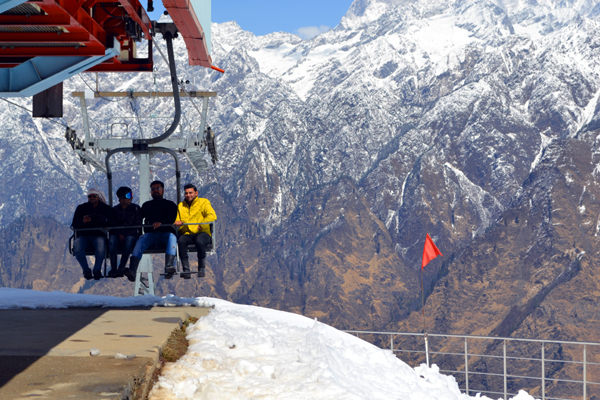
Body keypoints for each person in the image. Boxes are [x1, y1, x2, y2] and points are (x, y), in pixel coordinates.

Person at [123, 180, 178, 281]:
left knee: (172, 238)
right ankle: (132, 270)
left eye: (158, 188)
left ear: (163, 190)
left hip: (166, 233)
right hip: (150, 234)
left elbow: (172, 218)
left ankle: (169, 267)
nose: (155, 190)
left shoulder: (170, 205)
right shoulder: (146, 205)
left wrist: (160, 223)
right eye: (153, 189)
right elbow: (138, 218)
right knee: (141, 240)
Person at [175, 183, 217, 279]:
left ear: (196, 193)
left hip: (202, 232)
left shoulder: (204, 202)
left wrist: (201, 225)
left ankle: (201, 268)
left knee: (200, 242)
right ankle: (186, 269)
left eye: (191, 193)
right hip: (188, 233)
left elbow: (212, 216)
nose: (188, 195)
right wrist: (179, 224)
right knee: (181, 241)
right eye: (186, 193)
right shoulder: (181, 206)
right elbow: (178, 221)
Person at [71, 188, 115, 280]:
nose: (92, 198)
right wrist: (83, 221)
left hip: (99, 235)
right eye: (90, 196)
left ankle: (97, 270)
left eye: (94, 196)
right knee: (77, 245)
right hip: (83, 236)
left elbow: (113, 223)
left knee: (100, 245)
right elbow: (74, 224)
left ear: (98, 197)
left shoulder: (106, 209)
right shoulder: (81, 208)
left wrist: (103, 220)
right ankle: (86, 270)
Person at [108, 186, 142, 278]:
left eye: (131, 195)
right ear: (121, 198)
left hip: (131, 235)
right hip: (118, 235)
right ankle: (113, 268)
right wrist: (119, 234)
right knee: (112, 240)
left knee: (129, 240)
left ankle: (121, 268)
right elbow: (112, 225)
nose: (131, 197)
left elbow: (137, 224)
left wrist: (125, 234)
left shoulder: (136, 209)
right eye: (129, 195)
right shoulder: (114, 210)